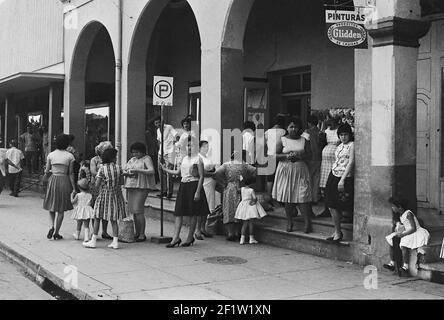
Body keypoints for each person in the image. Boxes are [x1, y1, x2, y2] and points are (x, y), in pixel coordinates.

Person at [161, 136, 210, 248]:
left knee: (193, 213)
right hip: (183, 186)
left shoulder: (198, 159)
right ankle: (175, 237)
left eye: (191, 145)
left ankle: (189, 237)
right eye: (187, 145)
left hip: (193, 185)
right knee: (179, 212)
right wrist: (165, 169)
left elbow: (202, 176)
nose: (189, 147)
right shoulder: (183, 159)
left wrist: (198, 192)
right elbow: (178, 172)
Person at [272, 117, 313, 234]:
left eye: (296, 127)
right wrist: (286, 156)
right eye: (291, 127)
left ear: (299, 128)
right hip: (286, 170)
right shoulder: (282, 140)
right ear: (287, 128)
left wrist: (300, 156)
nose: (294, 129)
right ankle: (289, 221)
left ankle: (307, 222)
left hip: (300, 170)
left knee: (302, 196)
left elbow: (310, 155)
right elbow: (274, 155)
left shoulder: (304, 140)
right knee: (288, 197)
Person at [84, 148, 128, 249]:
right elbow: (122, 182)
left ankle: (93, 240)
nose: (116, 158)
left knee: (97, 216)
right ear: (112, 158)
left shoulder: (102, 168)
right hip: (116, 194)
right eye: (115, 156)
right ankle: (115, 242)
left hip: (104, 194)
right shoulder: (118, 168)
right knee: (113, 219)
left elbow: (97, 184)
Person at [214, 150, 257, 241]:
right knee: (240, 210)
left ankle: (230, 233)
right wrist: (248, 181)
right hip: (241, 188)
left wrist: (223, 182)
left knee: (229, 210)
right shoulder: (244, 164)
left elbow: (216, 174)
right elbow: (254, 170)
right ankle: (237, 232)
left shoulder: (226, 165)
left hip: (229, 188)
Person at [384, 197, 430, 277]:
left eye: (393, 206)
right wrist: (399, 225)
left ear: (399, 207)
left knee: (403, 245)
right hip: (408, 231)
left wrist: (403, 234)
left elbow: (413, 228)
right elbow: (405, 224)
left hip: (415, 232)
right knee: (392, 240)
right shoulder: (401, 214)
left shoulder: (408, 214)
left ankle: (406, 266)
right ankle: (392, 263)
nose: (392, 208)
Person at [325, 123, 355, 243]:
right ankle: (336, 230)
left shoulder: (352, 145)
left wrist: (343, 179)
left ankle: (338, 232)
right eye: (341, 135)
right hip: (333, 174)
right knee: (330, 203)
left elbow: (351, 162)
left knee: (338, 203)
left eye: (345, 134)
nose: (343, 137)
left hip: (344, 176)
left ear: (350, 135)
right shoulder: (339, 146)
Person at [43, 134, 76, 240]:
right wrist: (74, 188)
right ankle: (57, 232)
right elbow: (71, 173)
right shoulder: (70, 156)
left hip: (53, 180)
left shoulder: (51, 155)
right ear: (67, 143)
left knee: (52, 205)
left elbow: (47, 171)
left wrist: (45, 177)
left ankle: (51, 226)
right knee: (61, 209)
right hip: (64, 181)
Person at [123, 142, 155, 242]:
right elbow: (125, 169)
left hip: (142, 186)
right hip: (131, 185)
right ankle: (137, 232)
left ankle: (142, 233)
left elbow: (151, 171)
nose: (135, 154)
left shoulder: (147, 158)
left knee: (138, 209)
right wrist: (128, 173)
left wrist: (138, 171)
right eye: (133, 152)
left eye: (137, 152)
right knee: (133, 211)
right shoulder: (132, 160)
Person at [90, 142, 113, 240]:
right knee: (95, 209)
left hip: (106, 187)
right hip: (96, 186)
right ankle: (94, 231)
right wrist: (104, 175)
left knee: (105, 209)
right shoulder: (94, 160)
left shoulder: (111, 160)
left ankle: (104, 231)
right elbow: (93, 172)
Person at [319, 117, 341, 217]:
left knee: (333, 184)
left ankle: (336, 209)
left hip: (335, 160)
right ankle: (326, 208)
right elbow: (321, 141)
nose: (330, 125)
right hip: (325, 162)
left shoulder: (339, 131)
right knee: (324, 184)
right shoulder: (326, 131)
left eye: (332, 123)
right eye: (328, 123)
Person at [235, 176, 267, 245]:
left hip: (243, 206)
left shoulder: (242, 189)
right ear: (251, 183)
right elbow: (255, 199)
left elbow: (237, 190)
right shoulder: (251, 190)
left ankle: (242, 239)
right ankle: (251, 238)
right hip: (250, 207)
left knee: (244, 224)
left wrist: (239, 182)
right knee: (251, 223)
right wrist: (252, 203)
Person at [264, 115, 287, 205]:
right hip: (280, 156)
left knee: (270, 178)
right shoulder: (284, 132)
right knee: (280, 177)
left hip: (270, 156)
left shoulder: (267, 132)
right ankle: (279, 196)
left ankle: (268, 195)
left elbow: (265, 143)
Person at [303, 115, 322, 217]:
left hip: (310, 158)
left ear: (309, 123)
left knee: (309, 179)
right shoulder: (320, 131)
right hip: (319, 158)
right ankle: (315, 198)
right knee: (317, 179)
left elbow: (304, 143)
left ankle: (310, 198)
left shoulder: (307, 132)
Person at [154, 116, 179, 199]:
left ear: (162, 121)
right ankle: (163, 191)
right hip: (161, 152)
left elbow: (176, 135)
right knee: (160, 171)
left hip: (170, 153)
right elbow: (159, 141)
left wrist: (175, 146)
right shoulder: (158, 130)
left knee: (169, 173)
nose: (157, 124)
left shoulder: (169, 127)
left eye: (158, 122)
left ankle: (169, 192)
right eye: (156, 123)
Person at [196, 140, 216, 239]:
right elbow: (201, 172)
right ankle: (198, 230)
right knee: (202, 208)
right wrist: (213, 174)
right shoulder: (199, 158)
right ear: (200, 147)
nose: (206, 148)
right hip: (204, 183)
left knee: (207, 208)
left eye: (207, 146)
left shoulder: (207, 157)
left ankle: (203, 228)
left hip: (211, 184)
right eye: (204, 146)